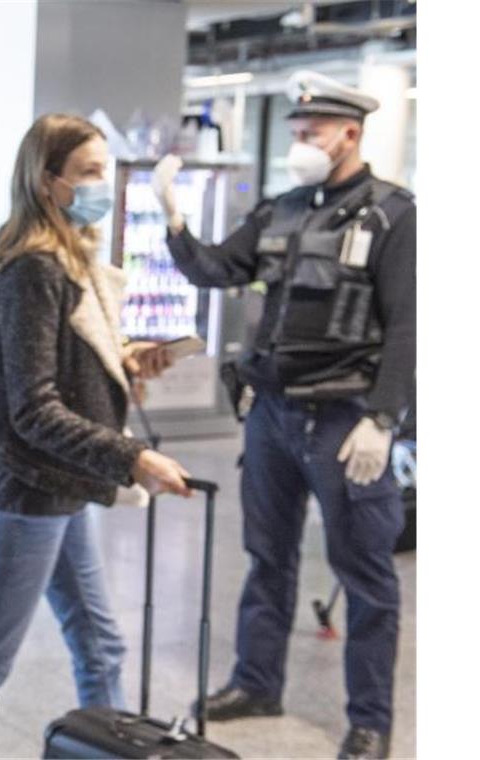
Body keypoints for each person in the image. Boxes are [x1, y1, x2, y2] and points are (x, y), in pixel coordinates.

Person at [151, 71, 415, 760]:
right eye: (295, 132)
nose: (299, 142)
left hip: (342, 416)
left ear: (349, 134)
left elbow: (412, 323)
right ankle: (257, 682)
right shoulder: (280, 209)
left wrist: (383, 418)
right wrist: (175, 220)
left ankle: (369, 721)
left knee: (365, 574)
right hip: (269, 413)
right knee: (266, 556)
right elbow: (216, 270)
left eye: (311, 133)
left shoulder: (394, 214)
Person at [0, 113, 193, 711]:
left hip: (62, 487)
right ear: (48, 182)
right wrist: (133, 457)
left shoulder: (72, 264)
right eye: (90, 172)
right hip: (31, 493)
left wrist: (123, 360)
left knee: (101, 644)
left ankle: (100, 749)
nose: (104, 184)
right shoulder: (33, 270)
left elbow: (61, 368)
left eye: (107, 170)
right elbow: (33, 409)